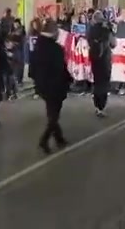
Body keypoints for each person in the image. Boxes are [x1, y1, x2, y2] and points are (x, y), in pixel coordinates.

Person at [29, 19, 72, 154]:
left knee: (52, 113)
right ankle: (44, 140)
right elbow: (61, 69)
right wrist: (69, 80)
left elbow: (32, 68)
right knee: (54, 115)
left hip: (42, 85)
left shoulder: (38, 46)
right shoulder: (56, 49)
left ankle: (59, 138)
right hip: (55, 86)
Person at [86, 11, 116, 117]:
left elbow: (89, 42)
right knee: (104, 82)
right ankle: (101, 106)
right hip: (105, 59)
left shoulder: (91, 30)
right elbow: (113, 44)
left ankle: (96, 105)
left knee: (97, 81)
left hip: (95, 58)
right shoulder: (106, 30)